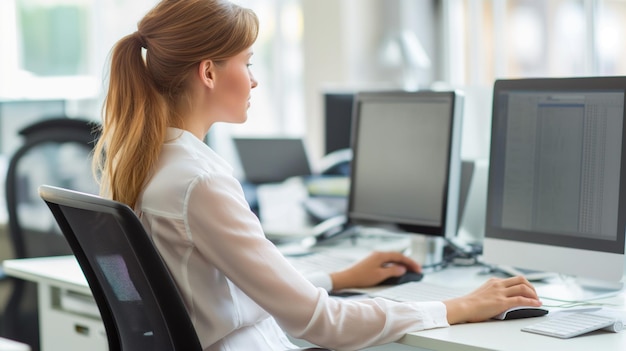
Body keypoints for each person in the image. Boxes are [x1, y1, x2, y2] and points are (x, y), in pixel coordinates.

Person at [93, 0, 542, 350]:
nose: (254, 80)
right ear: (208, 72)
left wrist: (339, 278)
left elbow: (230, 291)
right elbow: (323, 324)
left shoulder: (154, 164)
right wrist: (457, 306)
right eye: (247, 62)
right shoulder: (199, 184)